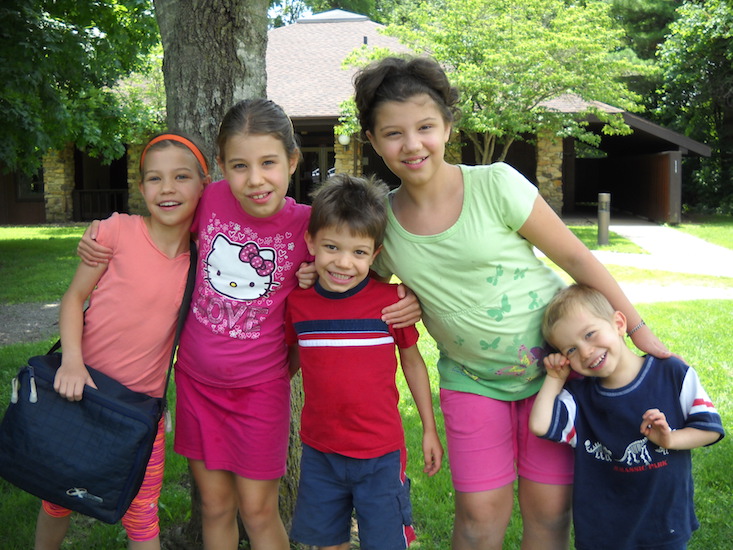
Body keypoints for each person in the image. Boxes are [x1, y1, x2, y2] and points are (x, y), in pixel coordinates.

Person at [349, 55, 673, 550]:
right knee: (479, 518)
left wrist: (638, 329)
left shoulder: (495, 185)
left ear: (448, 126)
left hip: (559, 373)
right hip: (472, 381)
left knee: (549, 513)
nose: (412, 144)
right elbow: (357, 283)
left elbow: (576, 258)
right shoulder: (383, 226)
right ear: (372, 140)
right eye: (393, 133)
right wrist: (389, 294)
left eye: (425, 127)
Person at [76, 99, 421, 550]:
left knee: (258, 511)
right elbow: (158, 219)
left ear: (292, 161)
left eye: (268, 163)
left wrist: (405, 297)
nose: (255, 179)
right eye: (239, 165)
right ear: (220, 167)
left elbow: (356, 263)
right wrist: (103, 232)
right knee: (216, 507)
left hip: (260, 392)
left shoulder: (307, 227)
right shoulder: (211, 200)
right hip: (198, 386)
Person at [34, 133, 209, 550]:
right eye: (154, 179)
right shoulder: (115, 231)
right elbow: (74, 298)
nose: (166, 189)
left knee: (142, 513)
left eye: (181, 177)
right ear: (141, 186)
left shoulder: (204, 260)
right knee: (58, 499)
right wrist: (72, 362)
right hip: (79, 393)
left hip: (138, 414)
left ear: (204, 184)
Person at [285, 174, 443, 550]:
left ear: (375, 254)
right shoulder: (299, 304)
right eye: (331, 247)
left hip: (381, 455)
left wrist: (429, 428)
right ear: (311, 242)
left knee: (385, 542)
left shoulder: (390, 303)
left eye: (358, 252)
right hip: (320, 452)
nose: (343, 263)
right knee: (327, 541)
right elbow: (288, 363)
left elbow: (413, 362)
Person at [529, 284, 724, 549]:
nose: (585, 352)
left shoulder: (672, 374)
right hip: (603, 530)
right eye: (570, 350)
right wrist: (554, 379)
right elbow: (540, 425)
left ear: (619, 323)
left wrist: (670, 439)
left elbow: (710, 427)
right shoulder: (578, 398)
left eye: (590, 334)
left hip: (664, 524)